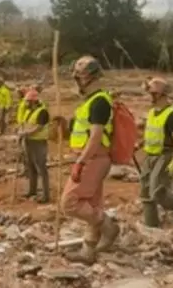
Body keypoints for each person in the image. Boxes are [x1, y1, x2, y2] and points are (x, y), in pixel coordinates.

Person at [60, 56, 119, 264]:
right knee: (91, 204)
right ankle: (88, 251)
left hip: (93, 158)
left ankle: (109, 227)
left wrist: (80, 162)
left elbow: (95, 138)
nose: (76, 80)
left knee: (70, 203)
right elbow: (83, 132)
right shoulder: (91, 101)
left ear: (90, 78)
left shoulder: (100, 102)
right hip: (91, 158)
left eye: (79, 76)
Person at [139, 77, 173, 228]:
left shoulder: (172, 115)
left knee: (157, 190)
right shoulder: (152, 113)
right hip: (150, 155)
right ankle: (151, 226)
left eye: (151, 93)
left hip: (164, 155)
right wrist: (140, 144)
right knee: (146, 192)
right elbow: (152, 134)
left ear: (159, 95)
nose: (148, 97)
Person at [19, 89, 50, 203]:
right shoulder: (28, 112)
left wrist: (26, 133)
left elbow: (39, 127)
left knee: (41, 168)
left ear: (34, 101)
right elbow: (25, 124)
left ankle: (46, 195)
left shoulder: (42, 112)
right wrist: (22, 131)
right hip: (29, 141)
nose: (26, 103)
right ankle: (32, 191)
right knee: (31, 167)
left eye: (28, 101)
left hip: (39, 142)